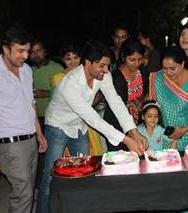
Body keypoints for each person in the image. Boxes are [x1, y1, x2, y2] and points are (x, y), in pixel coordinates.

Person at [37, 40, 148, 213]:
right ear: (88, 62)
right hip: (58, 126)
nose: (106, 70)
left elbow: (116, 103)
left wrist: (133, 133)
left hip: (79, 127)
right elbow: (92, 118)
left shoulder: (102, 75)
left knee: (83, 174)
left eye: (108, 65)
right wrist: (127, 140)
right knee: (52, 176)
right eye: (102, 65)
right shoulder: (69, 83)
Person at [0, 24, 47, 213]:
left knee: (28, 192)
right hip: (11, 146)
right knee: (23, 195)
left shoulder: (26, 70)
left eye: (27, 51)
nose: (25, 56)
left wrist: (39, 133)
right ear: (5, 48)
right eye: (20, 51)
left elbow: (30, 103)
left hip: (31, 140)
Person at [149, 46, 188, 151]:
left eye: (173, 68)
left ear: (182, 64)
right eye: (165, 68)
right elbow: (153, 103)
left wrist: (183, 130)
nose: (168, 72)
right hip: (167, 136)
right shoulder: (158, 78)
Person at [103, 38, 149, 151]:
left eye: (139, 59)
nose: (136, 63)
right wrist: (131, 105)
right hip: (117, 125)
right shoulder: (117, 77)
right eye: (132, 59)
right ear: (124, 57)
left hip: (135, 123)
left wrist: (139, 102)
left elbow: (146, 93)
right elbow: (117, 105)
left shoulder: (141, 72)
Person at [29, 38, 63, 127]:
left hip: (54, 118)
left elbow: (65, 92)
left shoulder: (57, 68)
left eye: (38, 50)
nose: (35, 54)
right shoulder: (28, 70)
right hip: (34, 118)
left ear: (44, 52)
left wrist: (46, 93)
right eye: (32, 51)